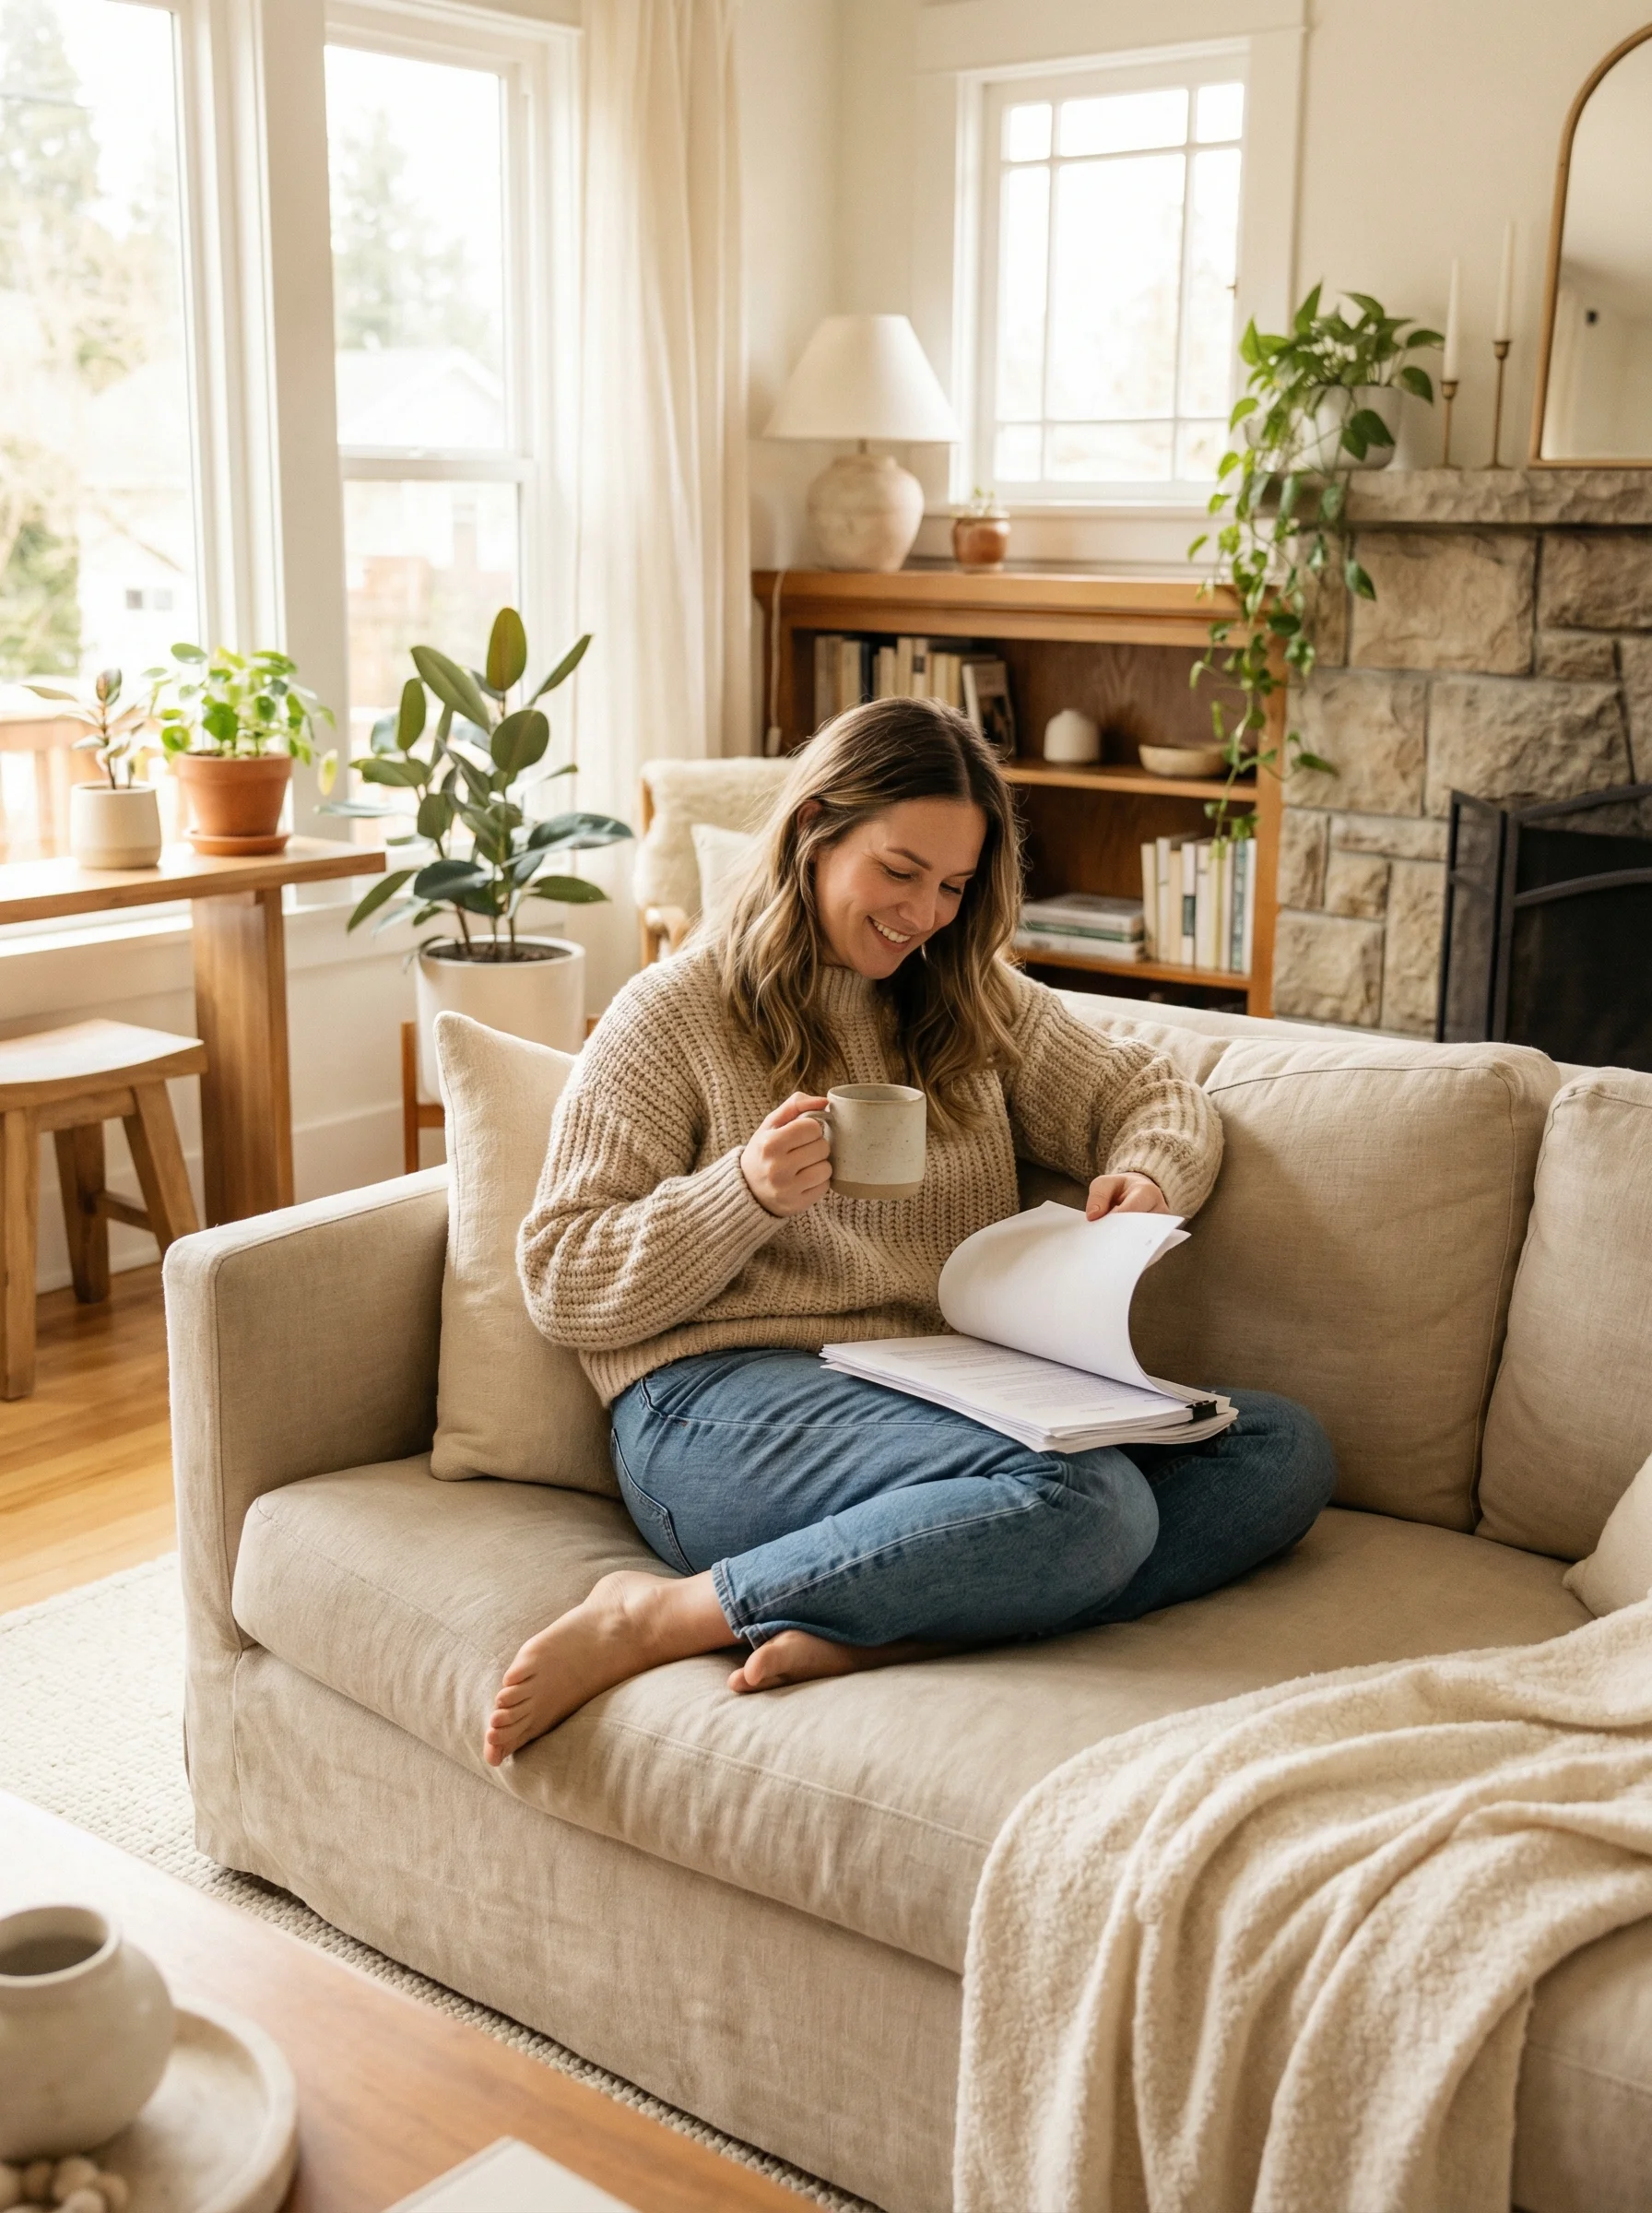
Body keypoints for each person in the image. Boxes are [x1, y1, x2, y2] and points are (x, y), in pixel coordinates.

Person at [489, 699, 1333, 1765]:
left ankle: (895, 1623)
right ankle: (661, 1615)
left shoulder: (970, 1002)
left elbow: (1149, 1092)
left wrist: (1145, 1175)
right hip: (710, 1408)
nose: (925, 912)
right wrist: (740, 1195)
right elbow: (561, 1275)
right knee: (1087, 1504)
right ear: (814, 834)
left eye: (953, 885)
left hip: (933, 1389)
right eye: (899, 871)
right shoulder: (672, 1012)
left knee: (1276, 1449)